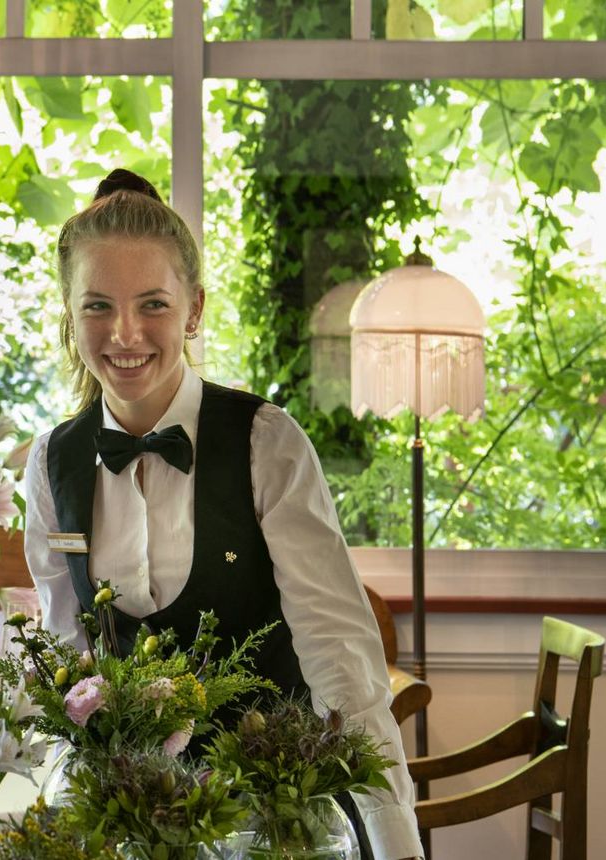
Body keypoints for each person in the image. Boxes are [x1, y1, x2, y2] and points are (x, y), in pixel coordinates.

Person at [21, 168, 424, 860]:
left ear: (195, 310)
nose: (124, 333)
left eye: (153, 304)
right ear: (68, 313)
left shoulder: (266, 443)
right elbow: (69, 664)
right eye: (97, 306)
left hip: (274, 826)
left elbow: (341, 659)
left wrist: (396, 845)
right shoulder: (51, 464)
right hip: (134, 830)